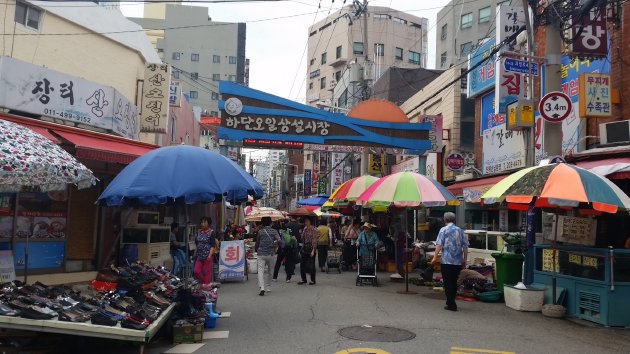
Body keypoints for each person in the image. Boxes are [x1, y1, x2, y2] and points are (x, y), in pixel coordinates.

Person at [431, 212, 469, 312]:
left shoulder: (443, 230)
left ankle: (451, 304)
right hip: (457, 262)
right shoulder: (460, 230)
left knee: (447, 283)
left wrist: (434, 257)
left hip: (446, 261)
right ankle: (450, 302)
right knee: (453, 281)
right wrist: (464, 260)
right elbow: (465, 247)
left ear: (445, 220)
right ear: (454, 220)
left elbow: (439, 245)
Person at [255, 216, 281, 296]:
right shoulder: (274, 231)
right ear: (271, 223)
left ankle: (262, 288)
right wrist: (275, 245)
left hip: (261, 253)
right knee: (270, 271)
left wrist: (256, 249)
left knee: (260, 271)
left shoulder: (260, 232)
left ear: (262, 223)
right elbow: (279, 241)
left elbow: (257, 243)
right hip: (270, 254)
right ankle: (268, 287)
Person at [193, 217, 216, 285]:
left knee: (207, 272)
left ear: (208, 224)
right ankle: (204, 283)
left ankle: (206, 286)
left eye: (204, 222)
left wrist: (209, 255)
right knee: (196, 271)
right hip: (199, 255)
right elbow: (197, 244)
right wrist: (195, 254)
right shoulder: (198, 232)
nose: (203, 224)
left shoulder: (211, 232)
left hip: (207, 255)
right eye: (202, 222)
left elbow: (213, 245)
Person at [298, 217, 318, 285]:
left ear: (310, 222)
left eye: (307, 221)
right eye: (305, 221)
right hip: (305, 248)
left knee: (311, 265)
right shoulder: (305, 229)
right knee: (302, 264)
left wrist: (313, 250)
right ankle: (303, 279)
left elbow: (315, 240)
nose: (306, 222)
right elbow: (302, 239)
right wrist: (302, 233)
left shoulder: (314, 229)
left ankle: (313, 280)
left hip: (311, 248)